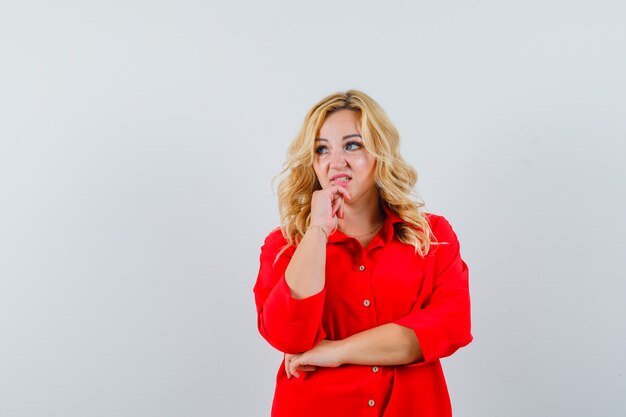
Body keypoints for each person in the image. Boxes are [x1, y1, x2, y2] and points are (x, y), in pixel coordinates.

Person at [253, 90, 472, 417]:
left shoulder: (431, 237)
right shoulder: (286, 246)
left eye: (352, 145)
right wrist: (317, 230)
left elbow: (450, 326)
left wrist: (336, 351)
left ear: (380, 152)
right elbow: (288, 336)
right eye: (322, 149)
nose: (336, 161)